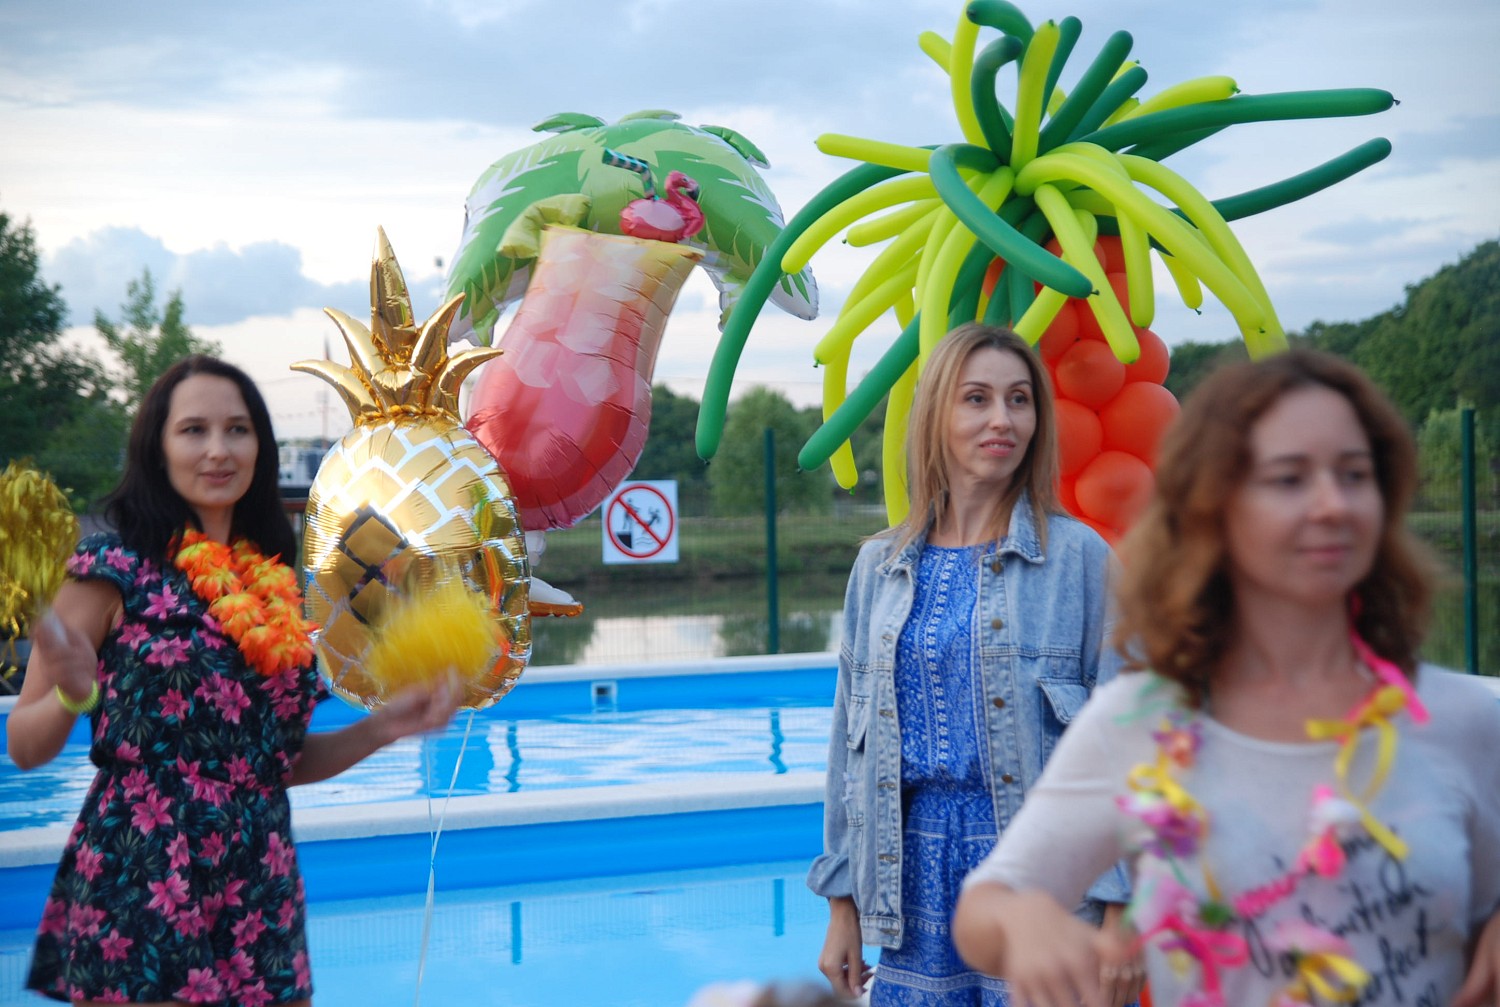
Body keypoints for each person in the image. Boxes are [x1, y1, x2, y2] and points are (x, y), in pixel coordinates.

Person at [953, 349, 1500, 1007]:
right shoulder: (1141, 721)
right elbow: (985, 908)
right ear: (1215, 509)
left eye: (1355, 474)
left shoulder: (1465, 719)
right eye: (1289, 478)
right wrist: (1023, 919)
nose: (1333, 503)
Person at [7, 355, 463, 1006]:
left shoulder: (274, 584)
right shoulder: (110, 570)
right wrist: (72, 694)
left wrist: (385, 727)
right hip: (146, 872)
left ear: (260, 448)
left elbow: (273, 763)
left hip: (259, 876)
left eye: (237, 429)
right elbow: (25, 746)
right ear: (158, 448)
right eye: (194, 429)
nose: (218, 449)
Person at [807, 324, 1137, 1006]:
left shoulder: (1081, 560)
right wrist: (843, 903)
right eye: (977, 398)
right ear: (937, 414)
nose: (1002, 420)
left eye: (1019, 400)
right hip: (911, 886)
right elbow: (849, 747)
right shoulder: (878, 568)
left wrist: (1123, 912)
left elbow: (1132, 747)